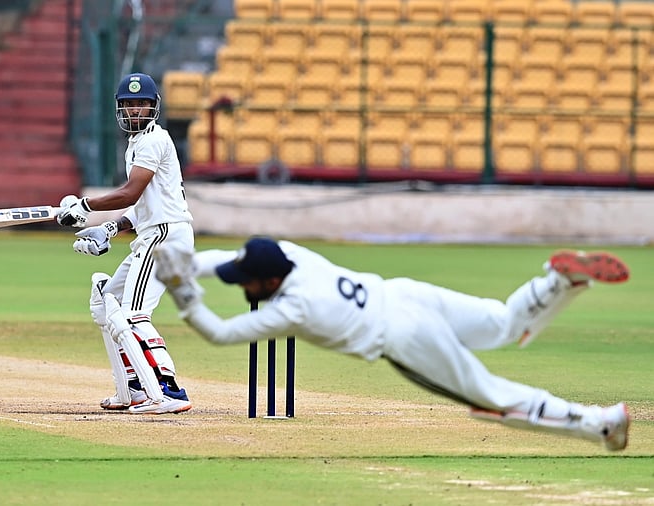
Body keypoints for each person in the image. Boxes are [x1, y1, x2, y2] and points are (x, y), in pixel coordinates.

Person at [148, 237, 632, 451]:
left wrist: (184, 290)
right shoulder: (293, 255)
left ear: (269, 279)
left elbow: (219, 333)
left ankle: (602, 425)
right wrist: (187, 261)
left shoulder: (294, 311)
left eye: (246, 283)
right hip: (403, 293)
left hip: (403, 337)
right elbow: (232, 259)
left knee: (492, 398)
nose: (241, 288)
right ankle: (557, 282)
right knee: (503, 322)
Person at [56, 73, 193, 414]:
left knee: (132, 315)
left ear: (153, 107)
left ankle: (168, 389)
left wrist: (85, 207)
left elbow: (130, 192)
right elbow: (140, 205)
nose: (135, 111)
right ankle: (133, 386)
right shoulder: (136, 144)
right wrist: (109, 229)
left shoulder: (152, 141)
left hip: (163, 235)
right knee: (108, 302)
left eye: (141, 104)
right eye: (128, 105)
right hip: (155, 232)